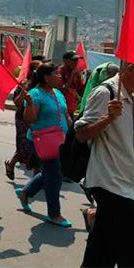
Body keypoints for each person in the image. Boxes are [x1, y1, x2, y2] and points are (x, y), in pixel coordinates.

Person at [76, 63, 134, 267]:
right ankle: (94, 215)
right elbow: (81, 134)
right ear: (130, 70)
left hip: (128, 185)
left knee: (105, 251)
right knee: (114, 252)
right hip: (110, 184)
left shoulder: (132, 95)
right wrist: (108, 118)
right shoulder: (105, 92)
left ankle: (94, 216)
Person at [17, 63, 72, 227]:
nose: (59, 76)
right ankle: (54, 214)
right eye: (56, 73)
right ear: (46, 77)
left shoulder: (57, 93)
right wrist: (27, 104)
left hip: (60, 141)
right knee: (54, 177)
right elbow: (30, 120)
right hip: (43, 142)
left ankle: (26, 193)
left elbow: (65, 114)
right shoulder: (35, 94)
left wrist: (72, 134)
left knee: (52, 172)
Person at [4, 60, 43, 180]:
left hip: (37, 120)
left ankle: (37, 177)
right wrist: (23, 91)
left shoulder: (42, 85)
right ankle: (11, 164)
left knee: (36, 147)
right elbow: (17, 103)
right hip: (23, 119)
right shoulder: (24, 83)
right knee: (25, 146)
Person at [59, 51, 85, 119]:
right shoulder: (59, 72)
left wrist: (87, 79)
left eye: (77, 60)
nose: (76, 63)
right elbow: (62, 91)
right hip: (61, 109)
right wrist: (72, 76)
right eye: (73, 60)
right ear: (65, 61)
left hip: (72, 109)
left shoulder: (77, 73)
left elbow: (81, 92)